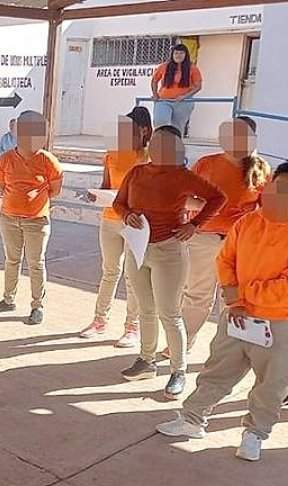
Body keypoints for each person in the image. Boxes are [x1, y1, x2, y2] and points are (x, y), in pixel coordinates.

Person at [156, 163, 288, 461]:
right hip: (236, 315)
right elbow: (225, 258)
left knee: (271, 383)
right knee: (217, 369)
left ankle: (255, 434)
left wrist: (242, 293)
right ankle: (192, 419)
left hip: (278, 323)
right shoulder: (248, 223)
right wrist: (233, 296)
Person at [113, 125, 226, 399]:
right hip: (138, 249)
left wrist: (195, 225)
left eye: (167, 145)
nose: (159, 149)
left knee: (169, 313)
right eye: (156, 143)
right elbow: (119, 203)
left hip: (169, 250)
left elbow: (217, 198)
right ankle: (146, 360)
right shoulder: (138, 172)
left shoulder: (183, 176)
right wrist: (126, 215)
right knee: (145, 309)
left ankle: (178, 370)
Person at [175, 117, 270, 354]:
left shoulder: (262, 170)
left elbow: (267, 211)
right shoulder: (206, 164)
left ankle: (226, 350)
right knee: (196, 295)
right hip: (203, 239)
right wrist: (203, 206)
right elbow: (183, 197)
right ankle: (182, 345)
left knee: (232, 299)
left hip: (239, 246)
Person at [80, 107, 152, 347]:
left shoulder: (149, 157)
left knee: (134, 277)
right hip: (110, 218)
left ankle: (132, 327)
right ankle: (99, 320)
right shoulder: (111, 155)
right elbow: (106, 185)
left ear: (144, 131)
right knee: (110, 272)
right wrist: (95, 195)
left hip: (135, 222)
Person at [0, 111, 64, 326]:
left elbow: (55, 189)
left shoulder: (48, 161)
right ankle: (8, 298)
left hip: (36, 221)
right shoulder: (5, 160)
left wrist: (34, 201)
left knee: (36, 263)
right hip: (9, 218)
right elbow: (2, 185)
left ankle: (37, 305)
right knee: (12, 260)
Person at [151, 43, 203, 134]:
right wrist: (155, 94)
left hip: (183, 102)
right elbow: (154, 81)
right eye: (176, 53)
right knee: (160, 121)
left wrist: (184, 96)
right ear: (172, 55)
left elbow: (198, 86)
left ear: (186, 55)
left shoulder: (192, 68)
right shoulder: (164, 67)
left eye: (181, 53)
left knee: (177, 127)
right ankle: (159, 142)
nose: (178, 55)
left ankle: (175, 145)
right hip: (164, 100)